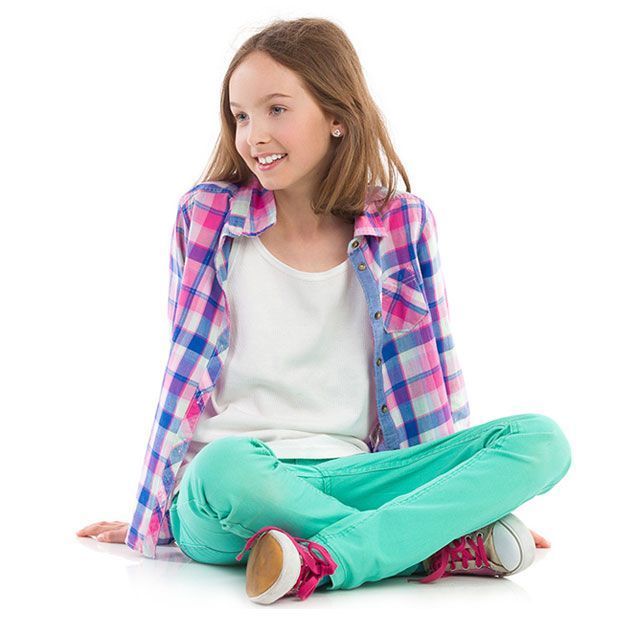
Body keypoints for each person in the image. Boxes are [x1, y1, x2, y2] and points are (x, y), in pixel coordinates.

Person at [76, 17, 572, 605]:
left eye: (276, 109)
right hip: (233, 489)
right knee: (224, 467)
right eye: (240, 115)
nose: (253, 134)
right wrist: (149, 516)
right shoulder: (206, 217)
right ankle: (423, 544)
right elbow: (181, 379)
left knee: (542, 441)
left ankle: (327, 554)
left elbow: (432, 375)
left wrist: (459, 488)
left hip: (358, 475)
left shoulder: (401, 225)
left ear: (338, 116)